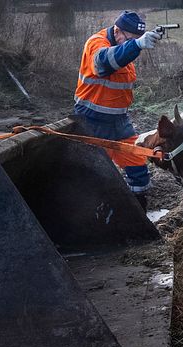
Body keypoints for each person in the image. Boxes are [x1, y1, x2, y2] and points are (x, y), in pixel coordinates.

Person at [73, 11, 162, 210]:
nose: (133, 43)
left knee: (137, 165)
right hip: (91, 121)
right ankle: (93, 216)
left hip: (119, 121)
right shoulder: (96, 42)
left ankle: (138, 212)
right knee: (95, 172)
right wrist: (137, 45)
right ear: (117, 31)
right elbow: (103, 63)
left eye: (138, 40)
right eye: (131, 39)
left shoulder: (125, 48)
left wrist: (134, 44)